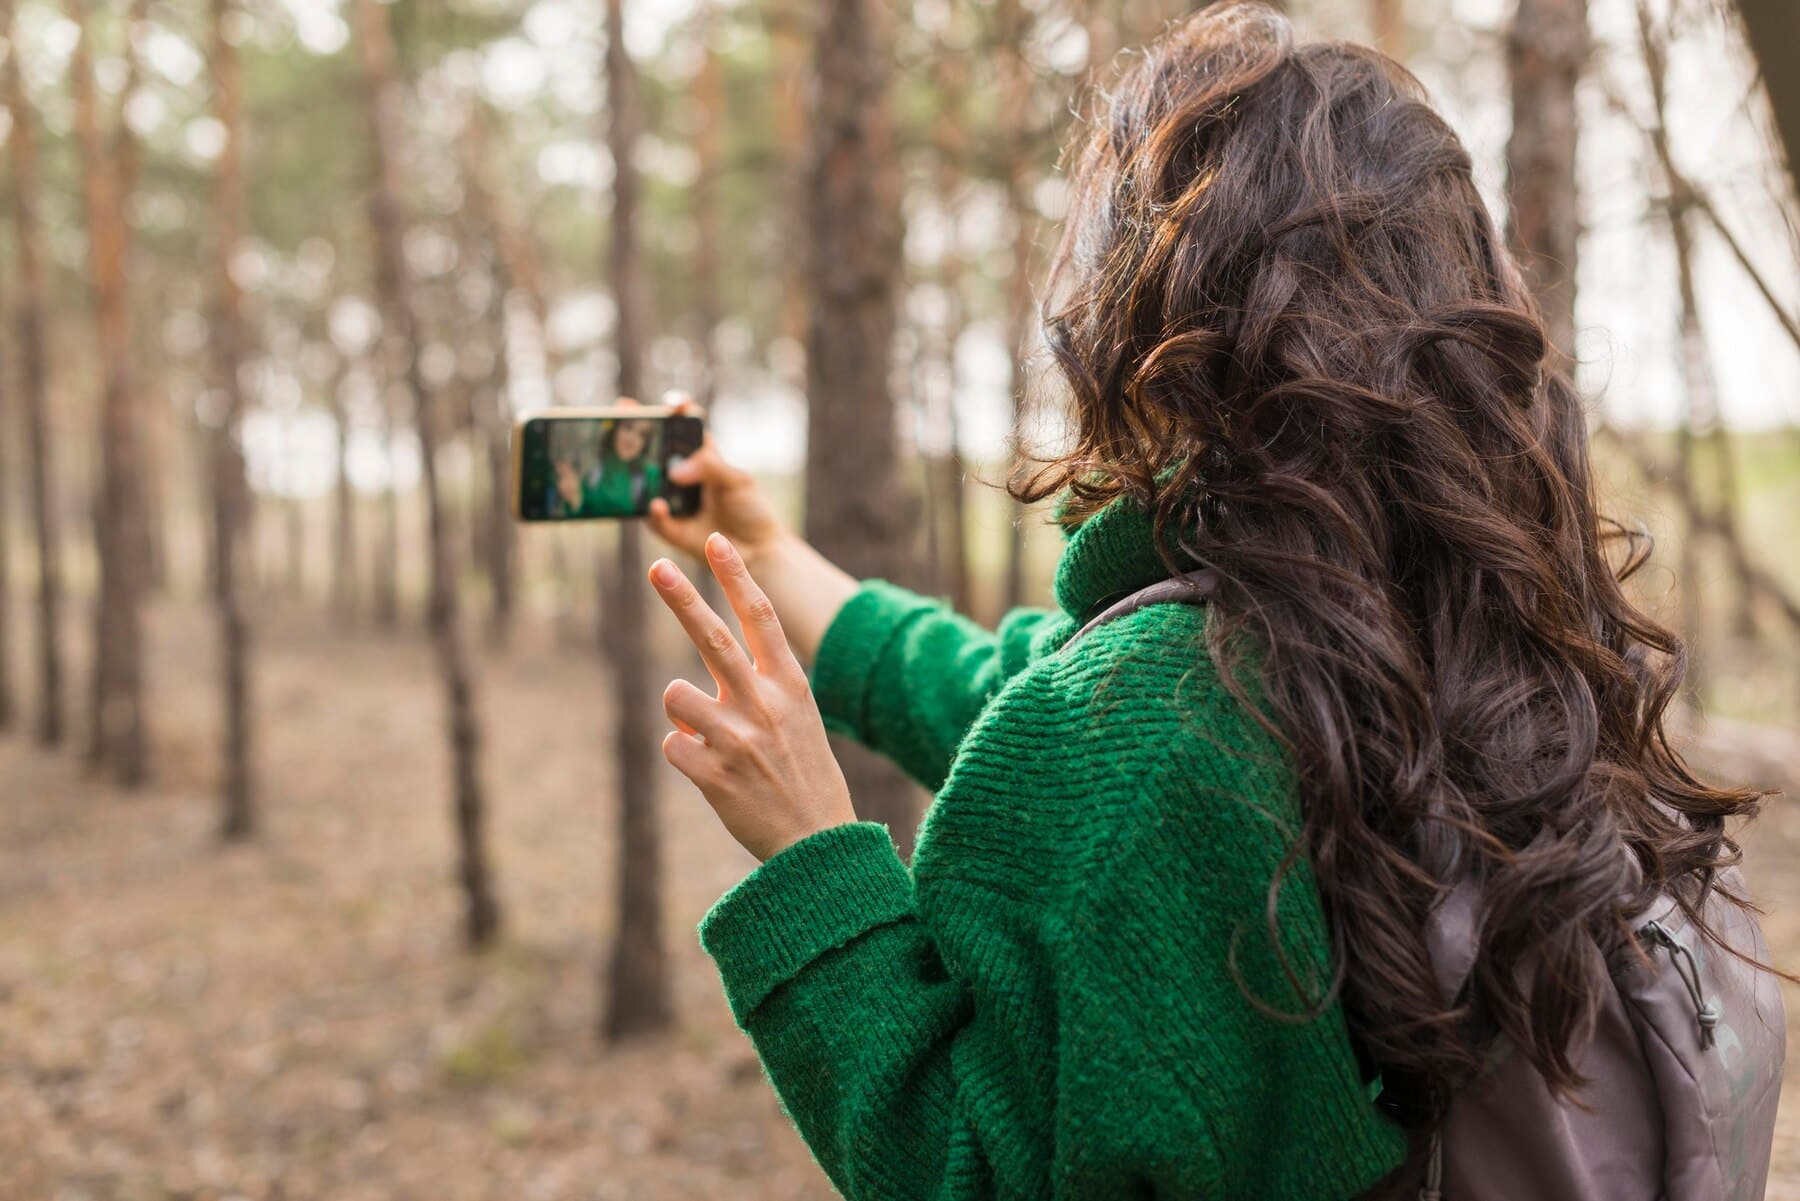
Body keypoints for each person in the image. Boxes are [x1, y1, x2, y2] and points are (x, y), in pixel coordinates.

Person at [639, 5, 1767, 1197]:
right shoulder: (1478, 631)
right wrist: (771, 551)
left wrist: (816, 861)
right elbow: (1028, 709)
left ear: (1153, 305)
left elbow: (972, 1171)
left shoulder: (1144, 733)